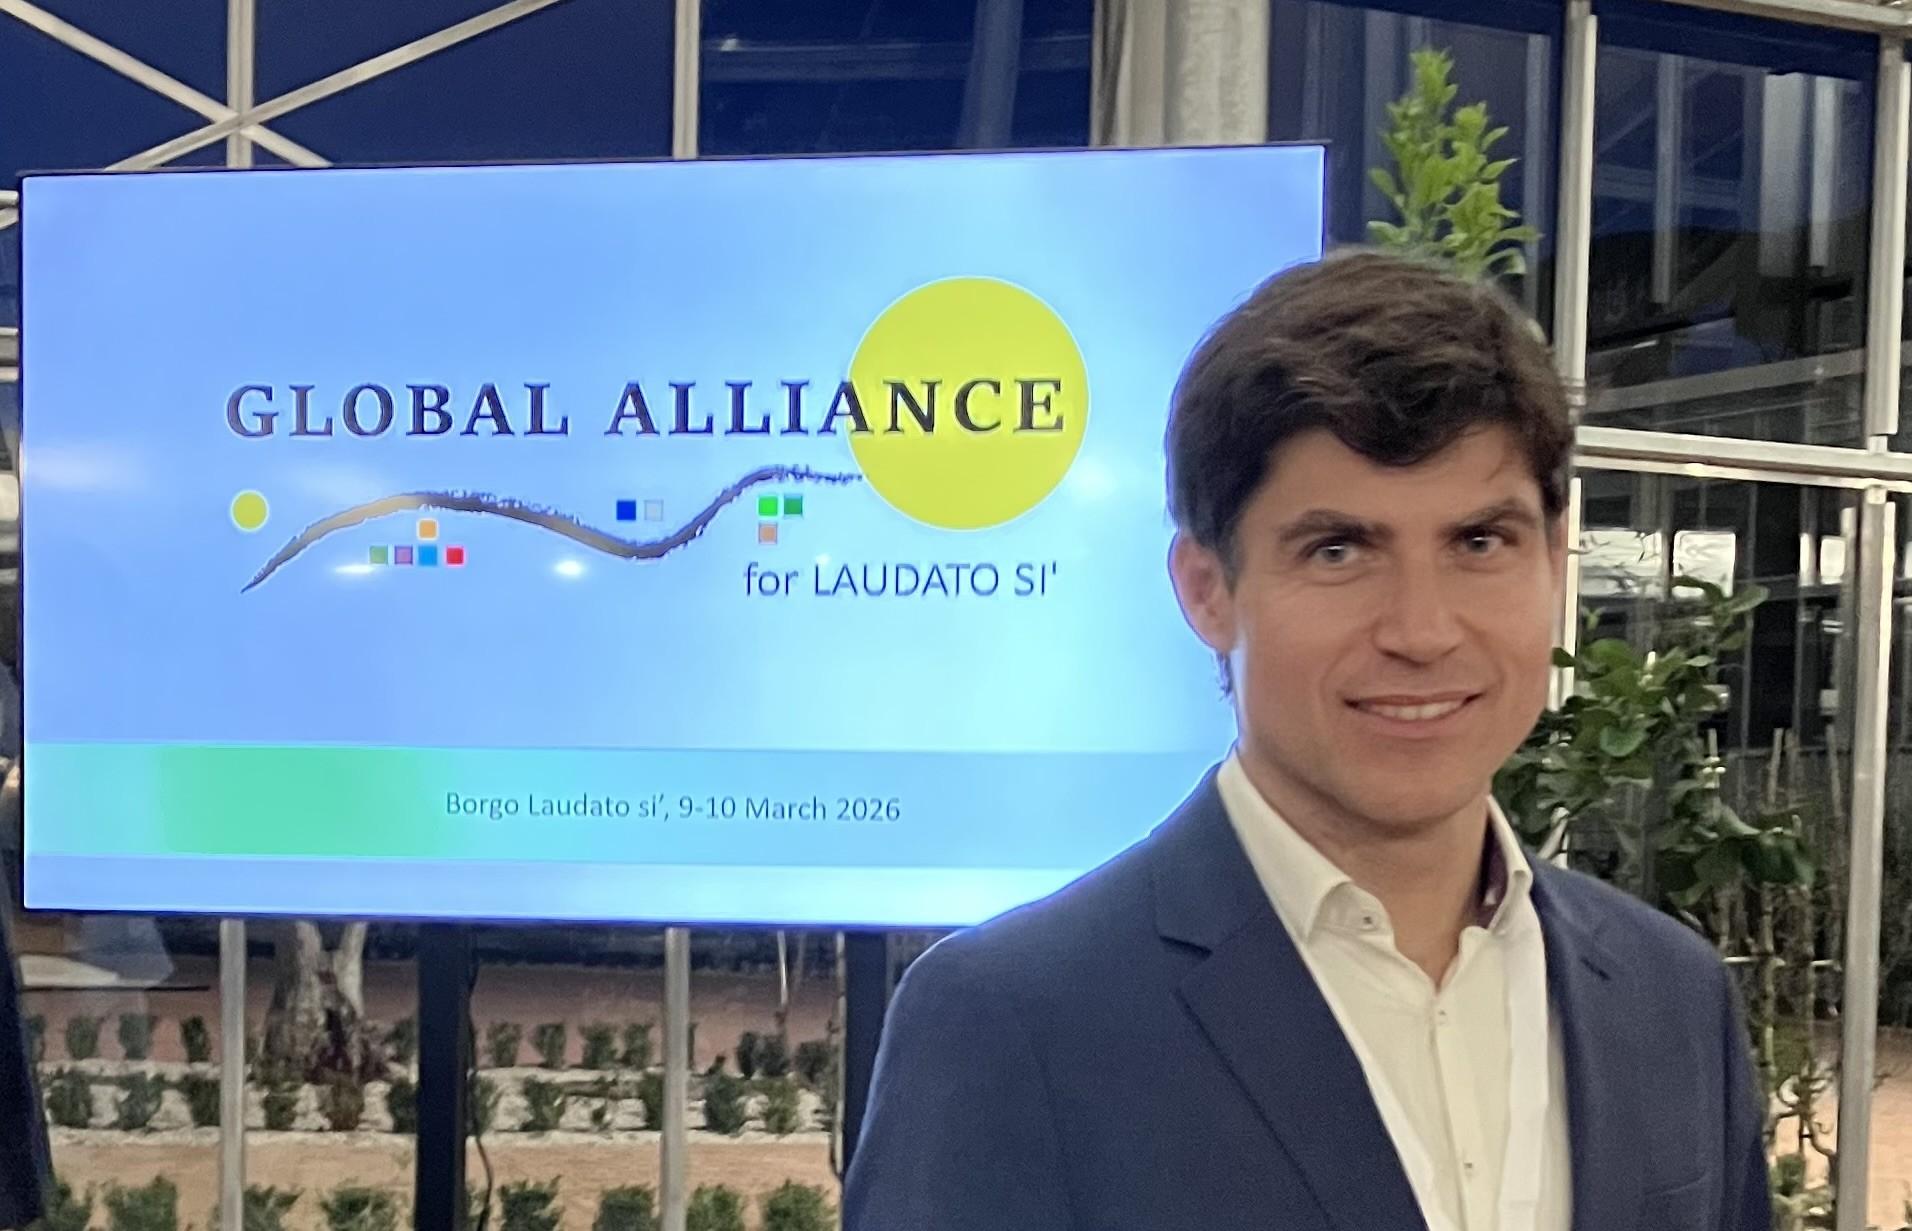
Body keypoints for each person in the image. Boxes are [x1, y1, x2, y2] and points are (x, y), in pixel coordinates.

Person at [843, 251, 1767, 1231]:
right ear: (1207, 590)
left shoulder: (1669, 998)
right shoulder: (1014, 1024)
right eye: (1339, 550)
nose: (1421, 630)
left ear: (1551, 558)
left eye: (1479, 542)